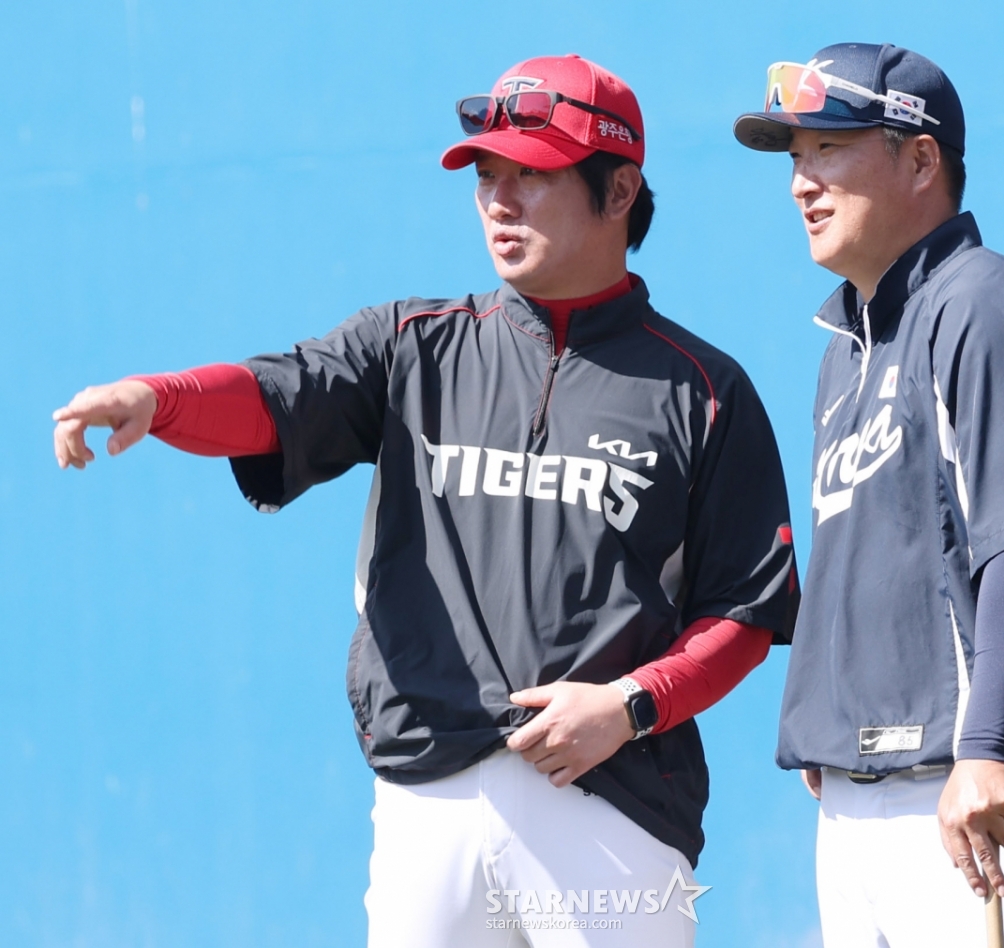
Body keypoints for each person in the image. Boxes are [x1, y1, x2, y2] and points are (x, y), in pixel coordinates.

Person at [52, 54, 798, 947]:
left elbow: (745, 614)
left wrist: (631, 703)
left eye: (532, 174)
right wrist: (159, 398)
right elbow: (276, 394)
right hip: (428, 794)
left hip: (611, 794)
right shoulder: (413, 345)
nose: (499, 201)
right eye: (486, 176)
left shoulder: (705, 388)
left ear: (620, 188)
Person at [734, 43, 1004, 948]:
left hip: (982, 792)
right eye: (794, 158)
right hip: (858, 805)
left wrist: (986, 745)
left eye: (829, 149)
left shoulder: (983, 303)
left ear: (921, 160)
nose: (801, 183)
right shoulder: (846, 348)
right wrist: (836, 722)